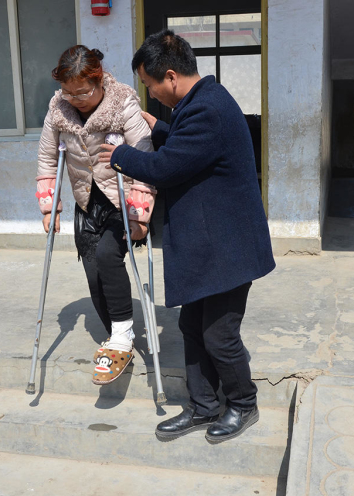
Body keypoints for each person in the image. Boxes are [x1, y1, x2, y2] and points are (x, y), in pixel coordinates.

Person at [99, 30, 275, 443]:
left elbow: (167, 167)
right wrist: (160, 127)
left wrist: (120, 156)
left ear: (171, 77)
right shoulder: (201, 102)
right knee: (192, 325)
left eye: (150, 85)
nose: (151, 93)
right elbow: (189, 147)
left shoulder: (207, 110)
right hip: (210, 245)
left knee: (219, 334)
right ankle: (203, 406)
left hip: (229, 248)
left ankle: (243, 403)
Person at [36, 45, 156, 385]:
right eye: (68, 92)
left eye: (83, 92)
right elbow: (47, 159)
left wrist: (139, 215)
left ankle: (121, 336)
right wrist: (49, 208)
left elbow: (146, 158)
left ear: (99, 81)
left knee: (107, 255)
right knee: (95, 276)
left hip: (122, 199)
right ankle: (119, 335)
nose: (75, 99)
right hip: (87, 201)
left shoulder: (123, 103)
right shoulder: (58, 109)